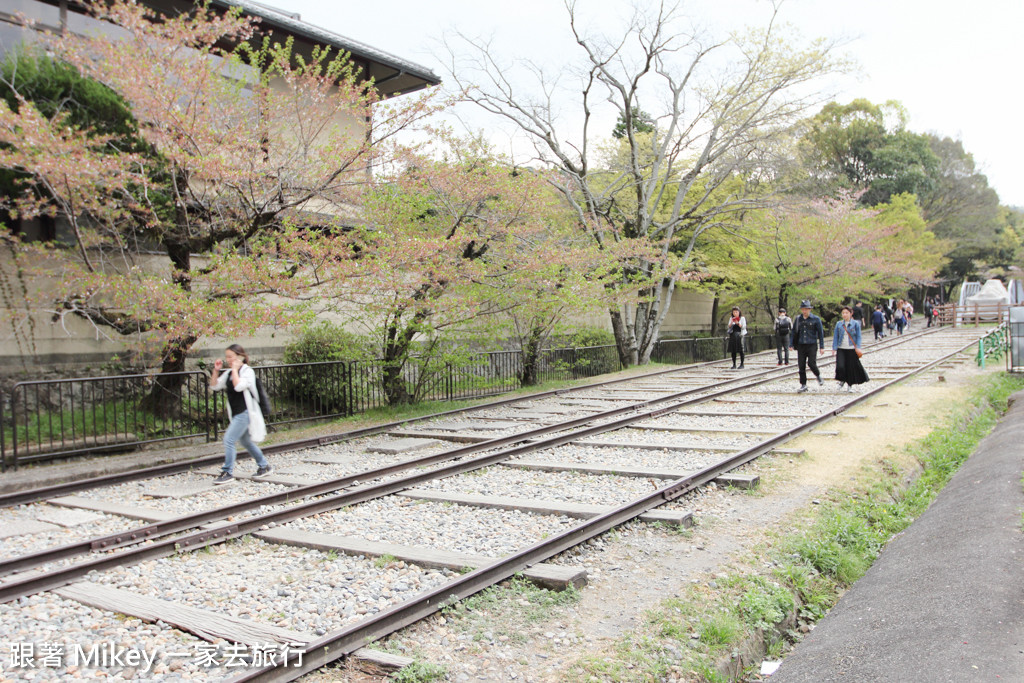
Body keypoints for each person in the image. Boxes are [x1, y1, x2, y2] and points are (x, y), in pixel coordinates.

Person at [209, 344, 272, 484]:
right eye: (227, 357)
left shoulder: (247, 371)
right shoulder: (228, 373)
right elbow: (214, 386)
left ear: (240, 357)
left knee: (229, 439)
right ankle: (264, 466)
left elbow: (238, 386)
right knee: (245, 441)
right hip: (236, 413)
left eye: (231, 357)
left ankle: (228, 471)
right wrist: (216, 370)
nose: (228, 360)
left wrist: (236, 369)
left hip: (246, 412)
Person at [790, 299, 825, 392]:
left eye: (806, 309)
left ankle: (818, 375)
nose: (804, 311)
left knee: (811, 363)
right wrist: (791, 344)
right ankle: (803, 384)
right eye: (803, 309)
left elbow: (821, 333)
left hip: (812, 344)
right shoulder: (798, 319)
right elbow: (793, 332)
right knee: (801, 365)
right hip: (801, 344)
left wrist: (822, 346)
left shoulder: (816, 319)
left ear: (810, 309)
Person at [832, 305, 869, 391]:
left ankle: (849, 385)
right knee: (840, 366)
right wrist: (834, 348)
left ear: (851, 314)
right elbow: (835, 337)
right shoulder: (839, 324)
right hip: (841, 348)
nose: (844, 315)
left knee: (850, 367)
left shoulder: (855, 324)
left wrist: (858, 347)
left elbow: (859, 336)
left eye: (846, 313)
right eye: (843, 313)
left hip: (851, 348)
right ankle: (842, 380)